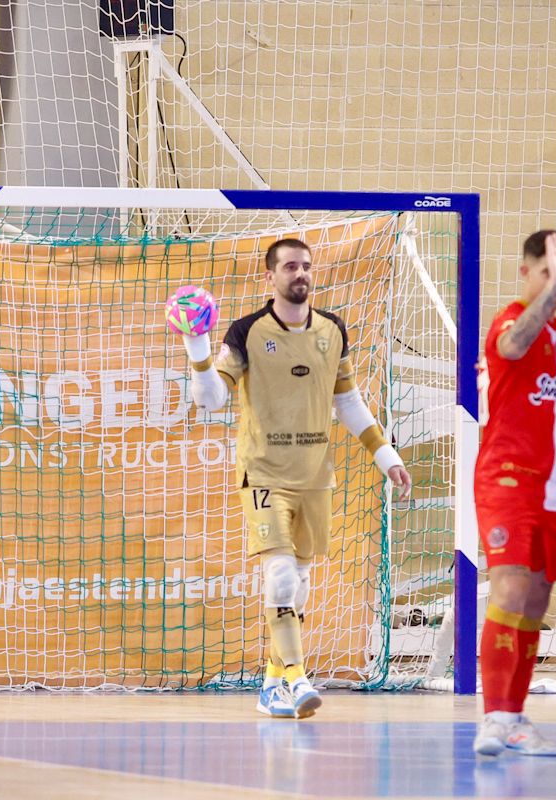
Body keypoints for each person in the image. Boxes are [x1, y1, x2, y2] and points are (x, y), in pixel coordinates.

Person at [174, 238, 412, 720]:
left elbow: (347, 400)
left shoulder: (333, 330)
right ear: (270, 277)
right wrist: (196, 347)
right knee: (280, 576)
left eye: (305, 266)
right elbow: (211, 399)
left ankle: (271, 684)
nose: (299, 273)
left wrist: (384, 454)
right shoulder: (246, 332)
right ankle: (298, 677)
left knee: (298, 583)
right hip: (263, 473)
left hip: (314, 478)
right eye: (289, 267)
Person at [472, 230, 556, 757]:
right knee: (510, 591)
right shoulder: (511, 321)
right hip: (508, 478)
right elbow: (511, 347)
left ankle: (514, 718)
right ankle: (492, 718)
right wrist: (554, 291)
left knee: (536, 603)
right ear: (526, 272)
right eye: (546, 276)